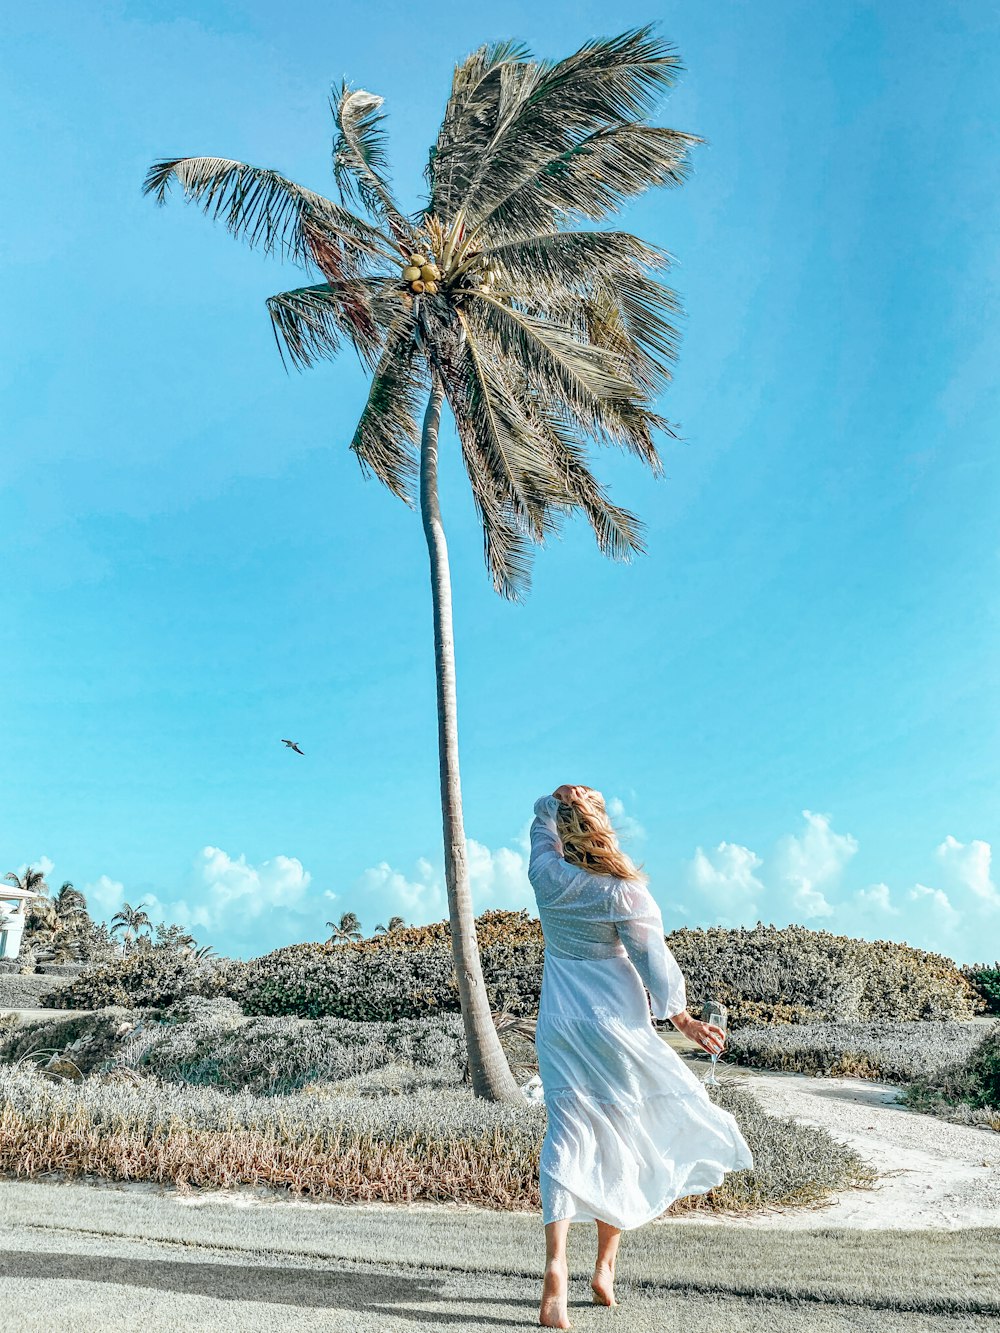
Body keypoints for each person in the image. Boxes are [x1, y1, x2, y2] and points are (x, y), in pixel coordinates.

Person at [528, 784, 754, 1329]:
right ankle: (604, 1265)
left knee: (567, 1132)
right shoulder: (623, 892)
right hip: (616, 1024)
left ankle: (555, 1269)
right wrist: (683, 1019)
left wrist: (555, 799)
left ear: (563, 827)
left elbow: (538, 821)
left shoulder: (546, 876)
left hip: (560, 1023)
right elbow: (655, 962)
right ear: (603, 828)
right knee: (623, 1135)